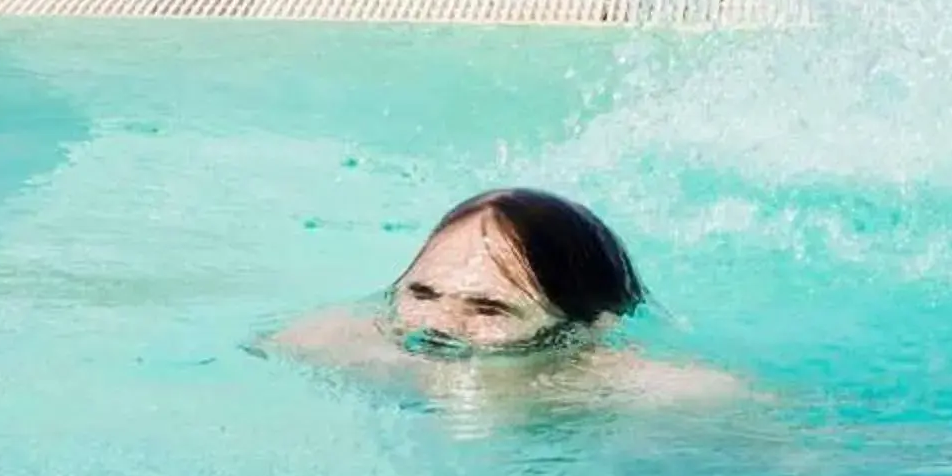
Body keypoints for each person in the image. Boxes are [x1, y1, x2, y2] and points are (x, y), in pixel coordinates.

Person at [273, 188, 738, 404]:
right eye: (423, 293)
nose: (436, 326)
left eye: (488, 307)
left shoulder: (669, 399)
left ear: (593, 328)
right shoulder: (332, 347)